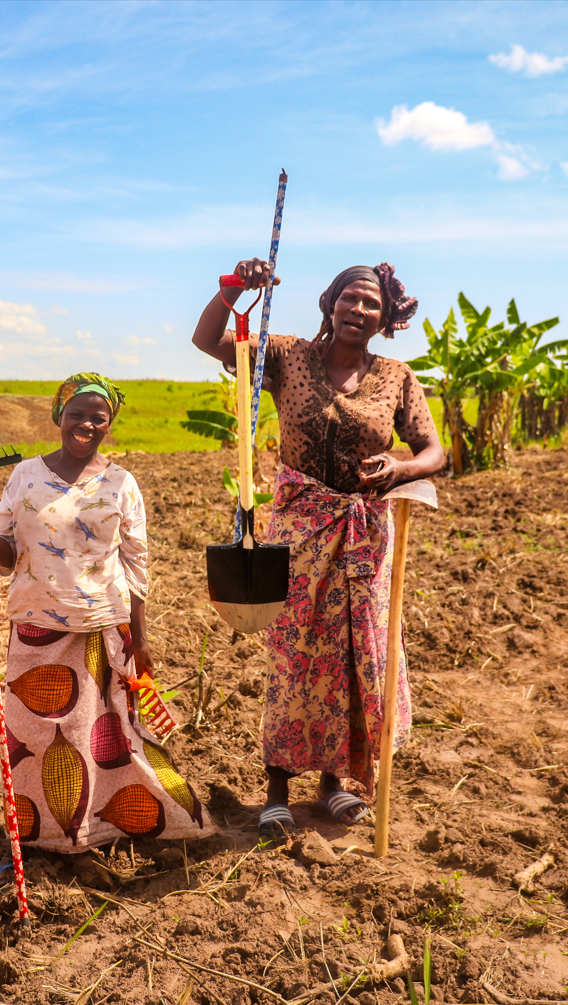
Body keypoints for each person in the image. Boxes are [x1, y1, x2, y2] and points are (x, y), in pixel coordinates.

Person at [191, 261, 445, 837]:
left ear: (385, 318)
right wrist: (234, 288)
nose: (359, 311)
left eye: (372, 304)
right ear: (330, 302)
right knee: (296, 657)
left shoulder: (398, 376)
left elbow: (433, 450)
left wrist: (401, 466)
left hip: (365, 538)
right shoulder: (285, 356)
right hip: (299, 533)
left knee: (357, 658)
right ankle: (277, 788)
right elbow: (208, 340)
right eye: (350, 299)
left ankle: (334, 783)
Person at [0, 373, 214, 852]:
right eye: (76, 414)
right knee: (37, 739)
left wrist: (139, 638)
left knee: (110, 738)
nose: (86, 424)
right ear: (59, 416)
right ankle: (48, 837)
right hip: (35, 629)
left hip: (102, 629)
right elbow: (3, 557)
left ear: (109, 425)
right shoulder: (26, 476)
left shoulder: (121, 483)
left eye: (98, 418)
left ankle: (112, 825)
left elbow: (136, 564)